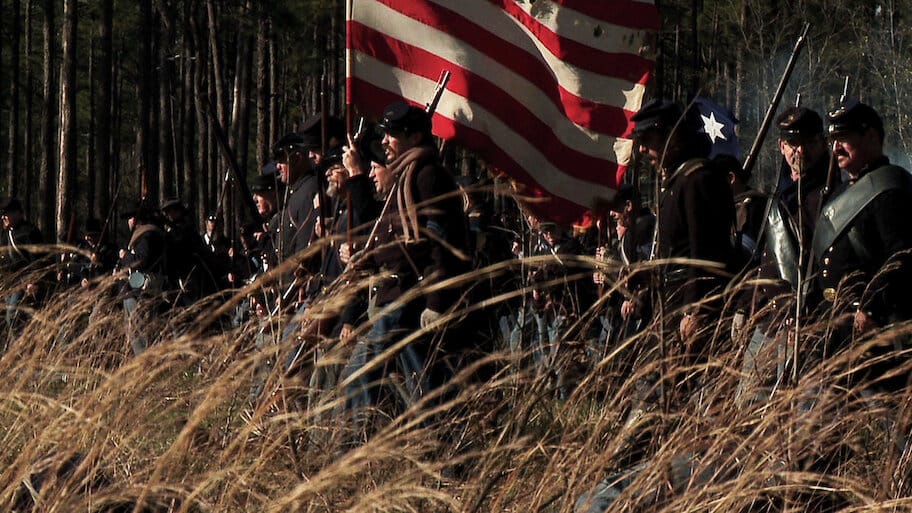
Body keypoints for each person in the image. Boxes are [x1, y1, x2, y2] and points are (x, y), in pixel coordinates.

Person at [338, 101, 469, 442]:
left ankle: (354, 455)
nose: (385, 142)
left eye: (393, 135)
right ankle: (440, 454)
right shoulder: (407, 176)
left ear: (414, 137)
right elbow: (397, 242)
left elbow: (443, 246)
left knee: (364, 376)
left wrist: (437, 304)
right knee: (423, 389)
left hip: (410, 299)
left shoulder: (427, 177)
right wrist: (364, 257)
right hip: (398, 297)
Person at [811, 99, 912, 390]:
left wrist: (871, 309)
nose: (836, 148)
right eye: (833, 140)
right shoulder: (843, 190)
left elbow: (900, 257)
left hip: (875, 330)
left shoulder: (889, 190)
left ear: (870, 137)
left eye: (844, 139)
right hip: (840, 329)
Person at [735, 106, 830, 404]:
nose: (799, 151)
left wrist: (804, 314)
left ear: (821, 144)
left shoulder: (832, 194)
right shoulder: (778, 193)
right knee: (749, 410)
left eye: (808, 143)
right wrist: (743, 306)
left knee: (804, 419)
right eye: (792, 143)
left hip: (807, 324)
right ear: (782, 146)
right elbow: (764, 261)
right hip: (767, 321)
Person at [629, 98, 735, 347]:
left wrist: (695, 310)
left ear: (672, 138)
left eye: (647, 138)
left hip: (692, 309)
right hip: (673, 302)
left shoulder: (697, 179)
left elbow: (705, 253)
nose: (642, 149)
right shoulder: (679, 181)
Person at [116, 200, 168, 356]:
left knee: (139, 334)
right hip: (136, 291)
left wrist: (126, 257)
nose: (129, 221)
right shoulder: (147, 234)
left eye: (131, 217)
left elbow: (141, 259)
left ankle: (144, 367)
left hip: (140, 292)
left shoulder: (146, 235)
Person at [0, 197, 44, 338]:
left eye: (7, 213)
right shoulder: (7, 235)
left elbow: (37, 260)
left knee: (13, 317)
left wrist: (34, 281)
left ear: (18, 213)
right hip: (11, 284)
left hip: (26, 282)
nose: (4, 217)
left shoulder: (29, 232)